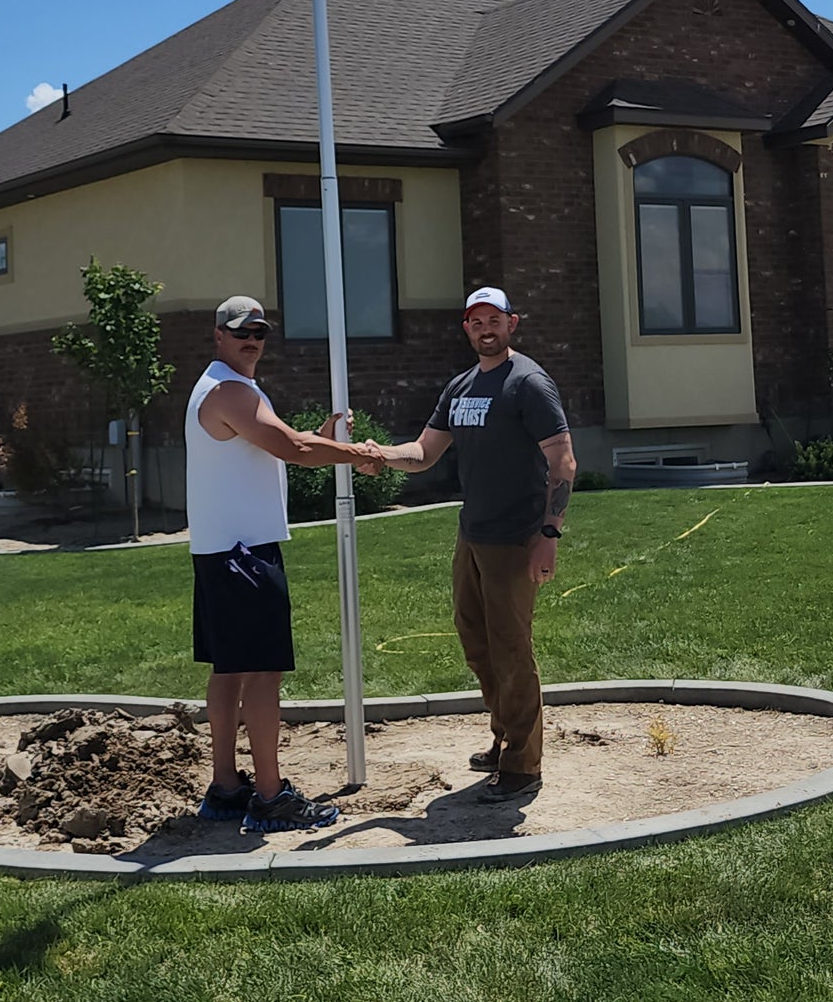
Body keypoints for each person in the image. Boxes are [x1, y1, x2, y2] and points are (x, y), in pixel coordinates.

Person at [186, 294, 385, 835]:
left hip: (220, 550)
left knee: (228, 670)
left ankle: (227, 787)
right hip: (244, 554)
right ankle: (270, 797)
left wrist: (318, 441)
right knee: (262, 672)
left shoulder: (226, 388)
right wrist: (362, 455)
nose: (252, 340)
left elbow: (276, 451)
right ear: (218, 336)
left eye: (260, 332)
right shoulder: (229, 391)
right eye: (241, 331)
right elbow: (294, 449)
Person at [380, 288, 576, 802]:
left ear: (512, 323)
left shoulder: (528, 383)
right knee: (477, 642)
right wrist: (378, 454)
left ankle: (522, 765)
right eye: (475, 320)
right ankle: (505, 734)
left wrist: (548, 534)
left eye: (494, 319)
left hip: (516, 538)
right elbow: (423, 453)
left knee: (512, 649)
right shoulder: (462, 386)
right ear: (465, 328)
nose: (485, 328)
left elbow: (563, 462)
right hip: (474, 534)